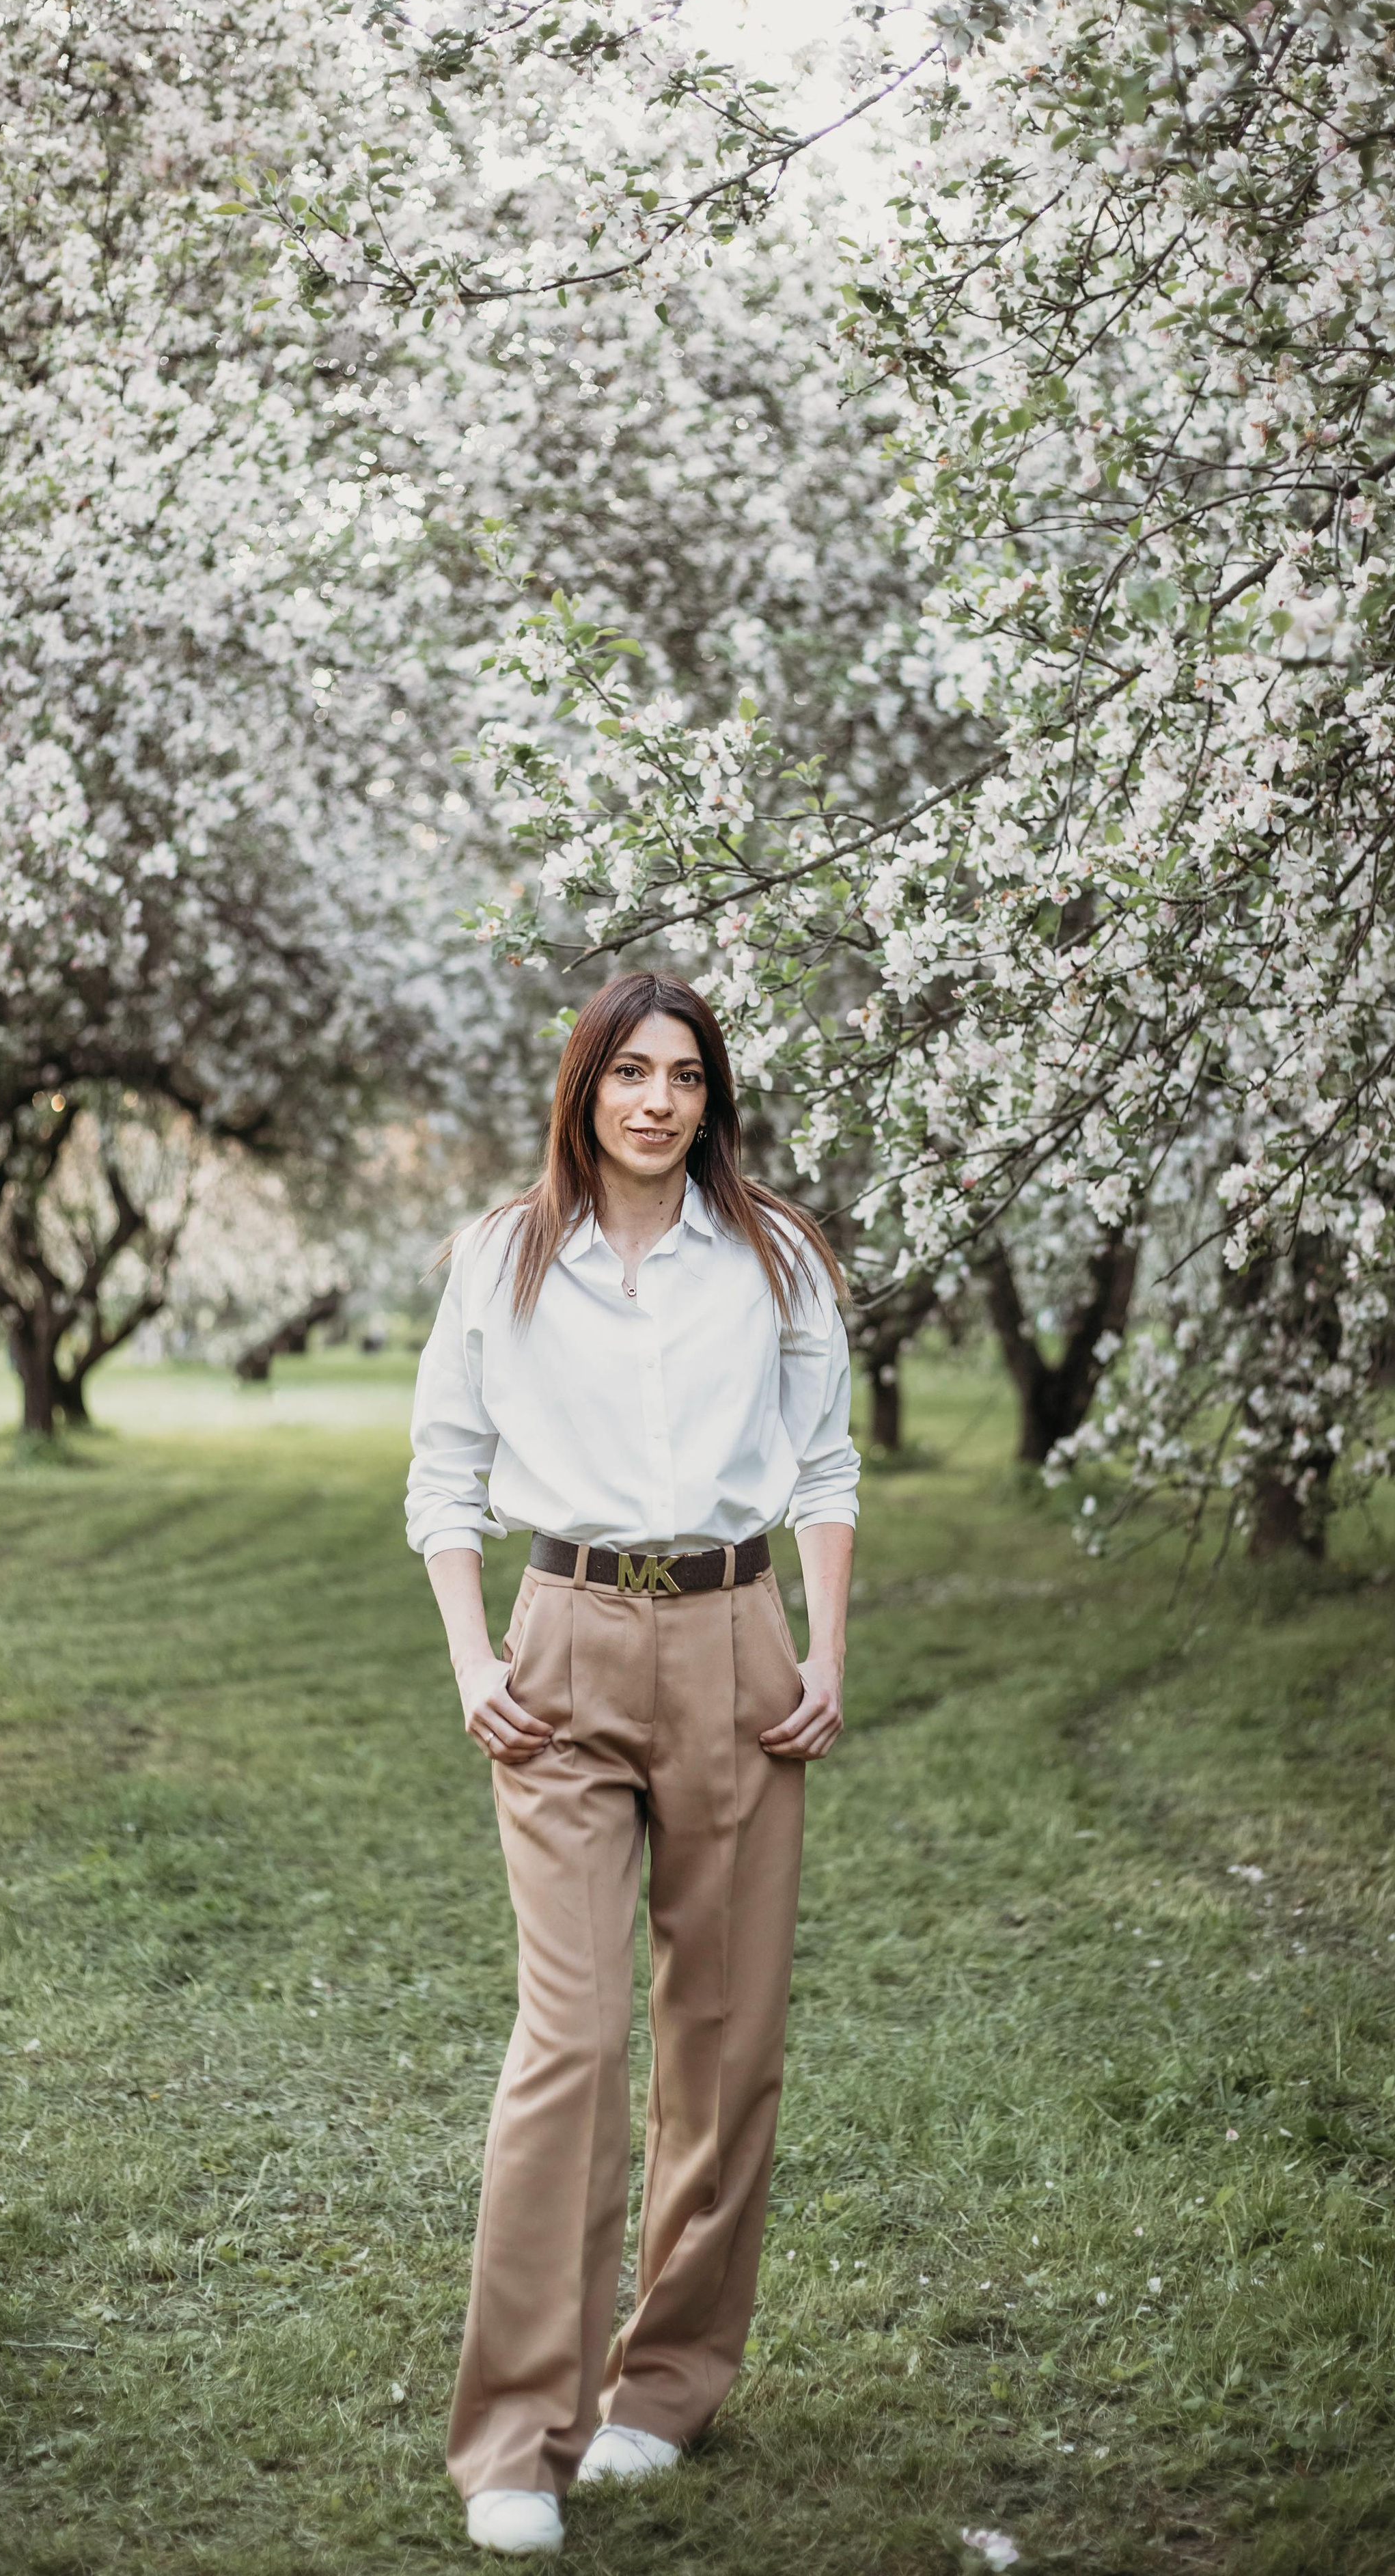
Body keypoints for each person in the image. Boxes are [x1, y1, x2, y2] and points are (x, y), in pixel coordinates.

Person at [404, 968, 859, 2556]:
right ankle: (515, 2440)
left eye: (684, 1077)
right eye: (629, 1074)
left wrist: (824, 1645)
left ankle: (661, 2387)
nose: (658, 1100)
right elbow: (444, 1474)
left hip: (738, 1643)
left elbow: (821, 1462)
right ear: (583, 1089)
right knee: (573, 2040)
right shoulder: (500, 1257)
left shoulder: (779, 1256)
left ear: (709, 1099)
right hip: (562, 1643)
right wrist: (474, 1660)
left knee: (722, 2044)